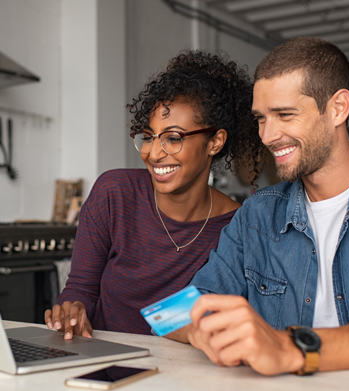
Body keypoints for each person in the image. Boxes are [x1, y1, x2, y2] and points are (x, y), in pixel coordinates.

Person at [169, 37, 349, 376]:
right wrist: (206, 330)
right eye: (261, 118)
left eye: (284, 114)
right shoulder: (256, 215)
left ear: (338, 108)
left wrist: (289, 347)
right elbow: (172, 314)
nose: (267, 136)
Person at [44, 50, 264, 338]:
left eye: (173, 138)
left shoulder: (236, 227)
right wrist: (71, 313)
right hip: (98, 370)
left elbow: (193, 316)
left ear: (215, 142)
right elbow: (80, 289)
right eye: (149, 136)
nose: (154, 153)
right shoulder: (114, 194)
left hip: (176, 378)